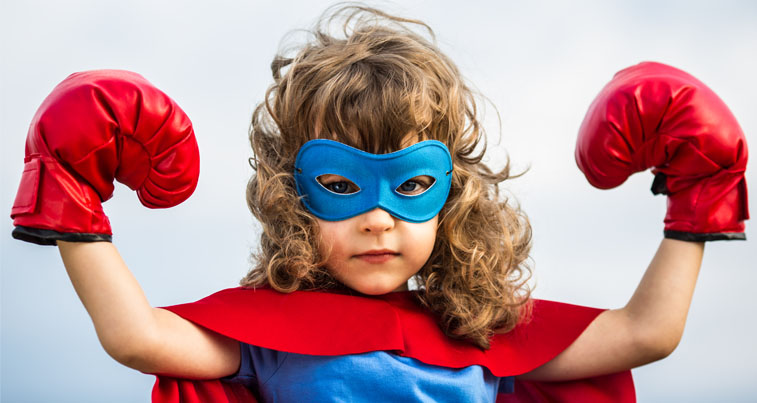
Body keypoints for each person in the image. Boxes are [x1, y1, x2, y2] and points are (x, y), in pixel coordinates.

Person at [9, 5, 748, 402]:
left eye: (412, 183)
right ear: (292, 199)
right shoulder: (268, 338)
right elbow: (138, 337)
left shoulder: (483, 340)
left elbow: (644, 333)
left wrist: (699, 196)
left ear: (451, 198)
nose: (378, 217)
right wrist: (71, 196)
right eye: (340, 185)